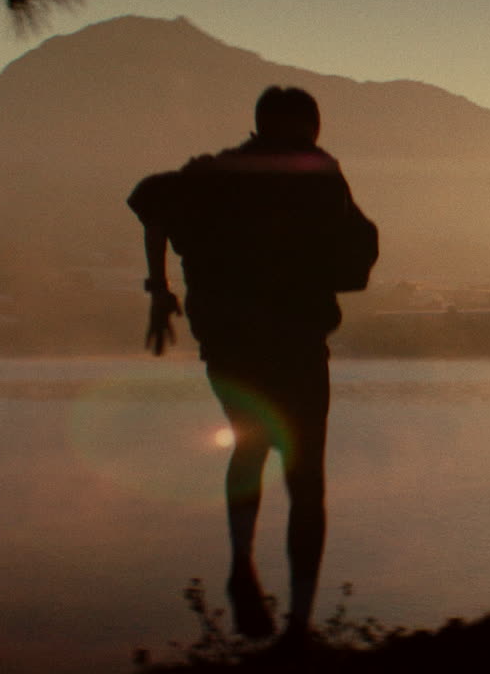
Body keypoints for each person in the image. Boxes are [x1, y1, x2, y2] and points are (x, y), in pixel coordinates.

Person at [127, 86, 378, 646]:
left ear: (260, 124)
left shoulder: (214, 172)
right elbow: (357, 245)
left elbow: (149, 203)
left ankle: (242, 561)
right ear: (311, 127)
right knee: (305, 476)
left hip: (229, 341)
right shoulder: (319, 172)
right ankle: (299, 624)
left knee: (249, 444)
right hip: (295, 338)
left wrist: (159, 290)